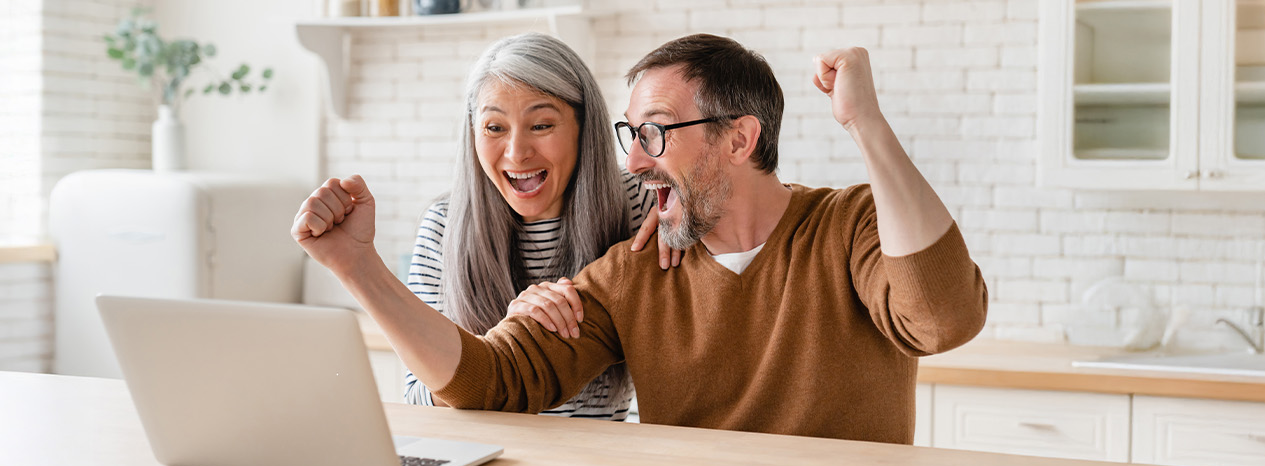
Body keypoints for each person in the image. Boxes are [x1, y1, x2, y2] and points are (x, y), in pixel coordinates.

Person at [292, 34, 988, 444]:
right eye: (630, 134)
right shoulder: (635, 271)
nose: (630, 161)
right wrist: (357, 266)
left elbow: (942, 319)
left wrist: (866, 123)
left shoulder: (851, 226)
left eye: (654, 132)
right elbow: (485, 383)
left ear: (740, 138)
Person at [400, 33, 679, 421]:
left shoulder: (636, 203)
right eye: (494, 128)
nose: (517, 152)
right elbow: (415, 400)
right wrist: (509, 340)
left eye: (542, 124)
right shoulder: (443, 227)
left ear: (584, 126)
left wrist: (685, 212)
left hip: (597, 462)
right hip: (479, 457)